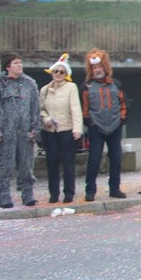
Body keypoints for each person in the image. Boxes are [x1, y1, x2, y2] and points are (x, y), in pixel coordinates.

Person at [0, 53, 40, 208]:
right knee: (4, 164)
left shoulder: (30, 84)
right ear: (8, 66)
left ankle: (27, 193)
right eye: (16, 63)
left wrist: (34, 129)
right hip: (6, 132)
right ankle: (2, 193)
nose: (19, 65)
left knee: (26, 164)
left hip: (25, 131)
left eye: (20, 62)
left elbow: (35, 108)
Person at [82, 49, 127, 201]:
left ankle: (115, 188)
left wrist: (121, 120)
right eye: (95, 68)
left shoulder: (117, 84)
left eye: (100, 67)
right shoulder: (86, 87)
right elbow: (84, 109)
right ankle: (90, 190)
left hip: (115, 127)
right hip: (96, 129)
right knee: (94, 160)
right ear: (91, 69)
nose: (97, 70)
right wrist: (91, 123)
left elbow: (124, 105)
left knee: (116, 159)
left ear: (105, 67)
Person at [39, 53, 83, 204]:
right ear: (51, 72)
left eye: (61, 72)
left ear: (66, 74)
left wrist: (77, 129)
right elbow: (41, 109)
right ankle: (53, 193)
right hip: (50, 132)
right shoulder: (44, 89)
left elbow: (75, 109)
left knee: (68, 164)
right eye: (56, 71)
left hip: (66, 130)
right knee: (52, 163)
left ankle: (69, 193)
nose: (58, 74)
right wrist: (46, 119)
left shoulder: (71, 87)